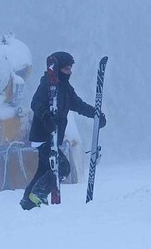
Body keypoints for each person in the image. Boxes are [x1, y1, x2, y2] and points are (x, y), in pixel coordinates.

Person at [20, 51, 106, 210]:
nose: (70, 72)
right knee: (61, 167)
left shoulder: (65, 88)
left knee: (44, 170)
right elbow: (36, 103)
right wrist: (45, 117)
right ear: (58, 69)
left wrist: (96, 115)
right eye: (67, 69)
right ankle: (38, 193)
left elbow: (79, 105)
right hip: (43, 136)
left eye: (71, 68)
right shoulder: (46, 84)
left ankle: (28, 202)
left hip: (54, 137)